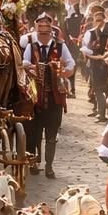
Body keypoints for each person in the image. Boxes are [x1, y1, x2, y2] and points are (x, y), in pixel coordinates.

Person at [23, 11, 75, 179]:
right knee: (34, 132)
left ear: (51, 31)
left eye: (46, 31)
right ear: (37, 30)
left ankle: (49, 166)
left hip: (54, 96)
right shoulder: (31, 45)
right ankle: (34, 162)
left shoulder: (60, 46)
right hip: (35, 97)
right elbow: (23, 63)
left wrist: (64, 72)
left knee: (51, 134)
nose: (43, 35)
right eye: (40, 31)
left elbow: (71, 64)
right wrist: (30, 68)